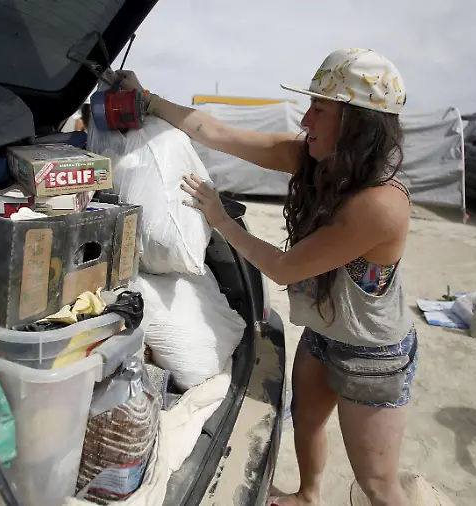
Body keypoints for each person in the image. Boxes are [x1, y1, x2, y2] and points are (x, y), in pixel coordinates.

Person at [117, 48, 417, 506]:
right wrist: (146, 100)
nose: (305, 121)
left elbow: (283, 267)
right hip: (322, 333)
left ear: (358, 124)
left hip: (371, 353)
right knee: (308, 422)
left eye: (320, 109)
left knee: (376, 482)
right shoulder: (319, 162)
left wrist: (220, 218)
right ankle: (309, 495)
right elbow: (215, 132)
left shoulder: (380, 204)